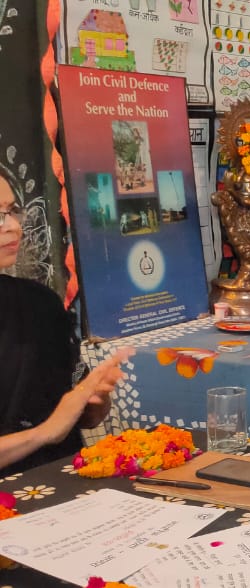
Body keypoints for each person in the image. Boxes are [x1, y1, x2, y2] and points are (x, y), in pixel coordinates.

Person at [0, 165, 132, 477]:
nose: (13, 227)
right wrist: (44, 433)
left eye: (13, 211)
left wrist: (93, 397)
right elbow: (54, 427)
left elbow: (83, 414)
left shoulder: (40, 304)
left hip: (66, 481)